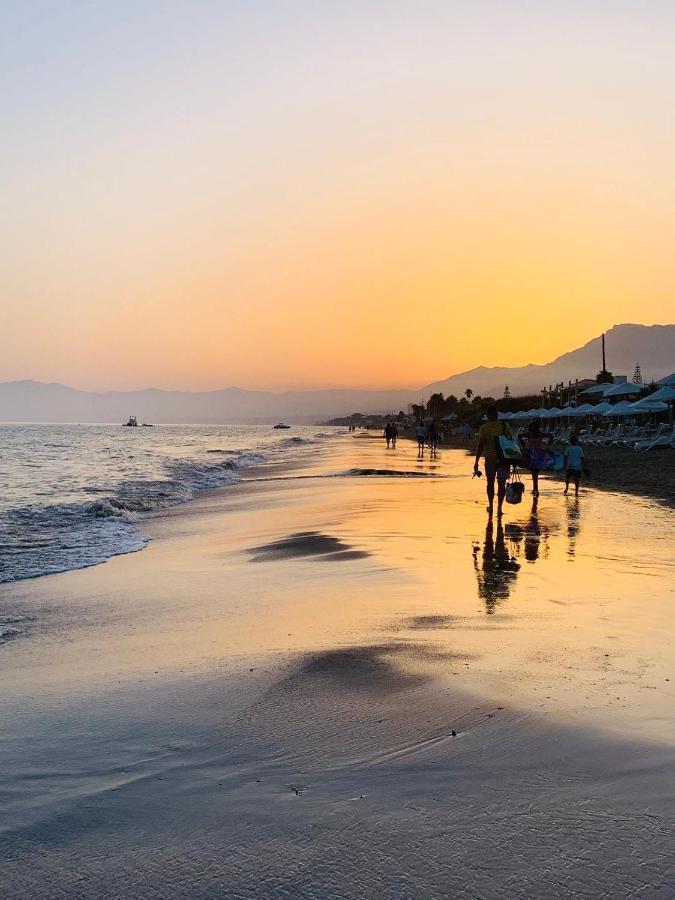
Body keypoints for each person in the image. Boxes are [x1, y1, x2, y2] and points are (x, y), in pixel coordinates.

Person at [474, 405, 511, 518]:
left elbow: (480, 446)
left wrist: (476, 462)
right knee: (501, 483)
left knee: (490, 482)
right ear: (497, 414)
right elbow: (510, 442)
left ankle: (491, 505)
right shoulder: (505, 425)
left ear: (488, 416)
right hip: (503, 459)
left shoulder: (484, 428)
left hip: (490, 458)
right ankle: (499, 507)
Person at [526, 420, 545, 497]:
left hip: (532, 455)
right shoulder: (540, 434)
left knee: (533, 473)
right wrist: (547, 444)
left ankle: (535, 489)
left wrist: (523, 444)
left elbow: (519, 436)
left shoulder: (529, 434)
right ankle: (535, 489)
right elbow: (550, 436)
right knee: (536, 473)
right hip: (539, 454)